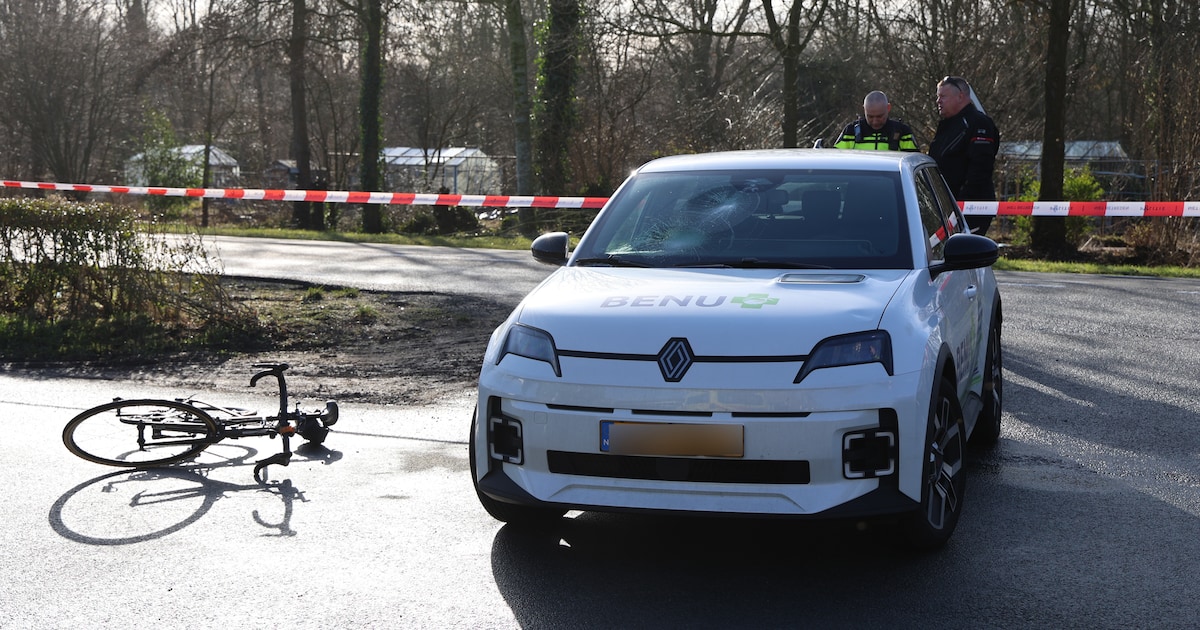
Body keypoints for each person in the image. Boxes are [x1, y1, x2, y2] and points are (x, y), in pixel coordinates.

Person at [928, 75, 1000, 236]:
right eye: (938, 97)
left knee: (966, 255)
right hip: (947, 206)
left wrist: (962, 202)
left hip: (969, 208)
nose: (938, 101)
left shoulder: (978, 123)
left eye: (943, 96)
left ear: (960, 96)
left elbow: (981, 167)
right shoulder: (946, 125)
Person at [833, 91, 919, 151]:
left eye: (879, 116)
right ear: (864, 110)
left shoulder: (902, 133)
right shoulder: (851, 132)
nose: (875, 121)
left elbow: (913, 164)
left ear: (888, 108)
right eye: (870, 116)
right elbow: (836, 161)